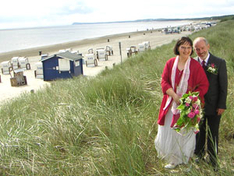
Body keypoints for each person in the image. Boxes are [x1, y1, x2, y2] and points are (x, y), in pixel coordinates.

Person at [154, 37, 209, 169]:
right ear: (178, 48)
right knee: (171, 131)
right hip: (171, 104)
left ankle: (185, 159)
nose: (186, 50)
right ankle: (173, 160)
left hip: (187, 107)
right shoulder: (170, 63)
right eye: (183, 47)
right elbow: (164, 81)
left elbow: (203, 85)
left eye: (189, 47)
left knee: (185, 133)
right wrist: (174, 95)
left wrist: (190, 98)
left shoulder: (195, 65)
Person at [193, 37, 228, 169]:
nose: (200, 51)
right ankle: (199, 156)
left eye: (202, 48)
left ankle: (213, 160)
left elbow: (223, 86)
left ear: (208, 47)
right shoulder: (192, 63)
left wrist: (222, 105)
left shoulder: (219, 62)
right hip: (197, 107)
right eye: (197, 49)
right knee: (199, 133)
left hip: (215, 106)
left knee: (213, 133)